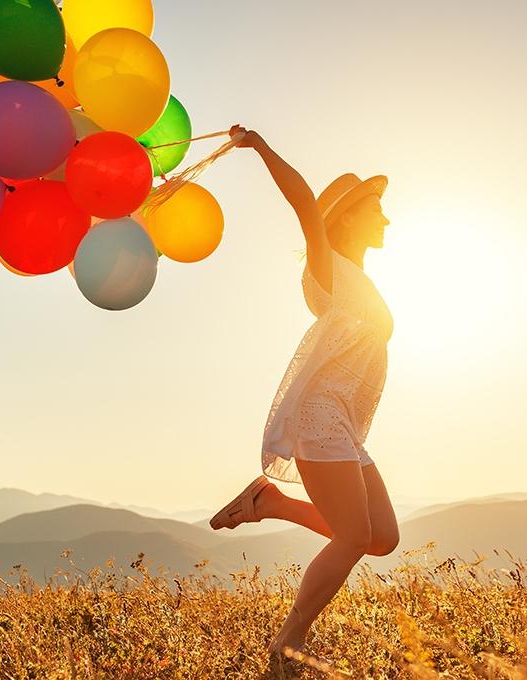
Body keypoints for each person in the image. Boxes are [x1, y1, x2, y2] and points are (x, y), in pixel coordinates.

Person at [208, 124, 400, 660]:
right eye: (374, 208)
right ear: (346, 218)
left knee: (381, 536)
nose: (385, 217)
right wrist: (261, 148)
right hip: (319, 417)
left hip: (344, 423)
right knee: (354, 538)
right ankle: (288, 642)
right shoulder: (329, 268)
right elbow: (303, 206)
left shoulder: (361, 278)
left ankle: (269, 502)